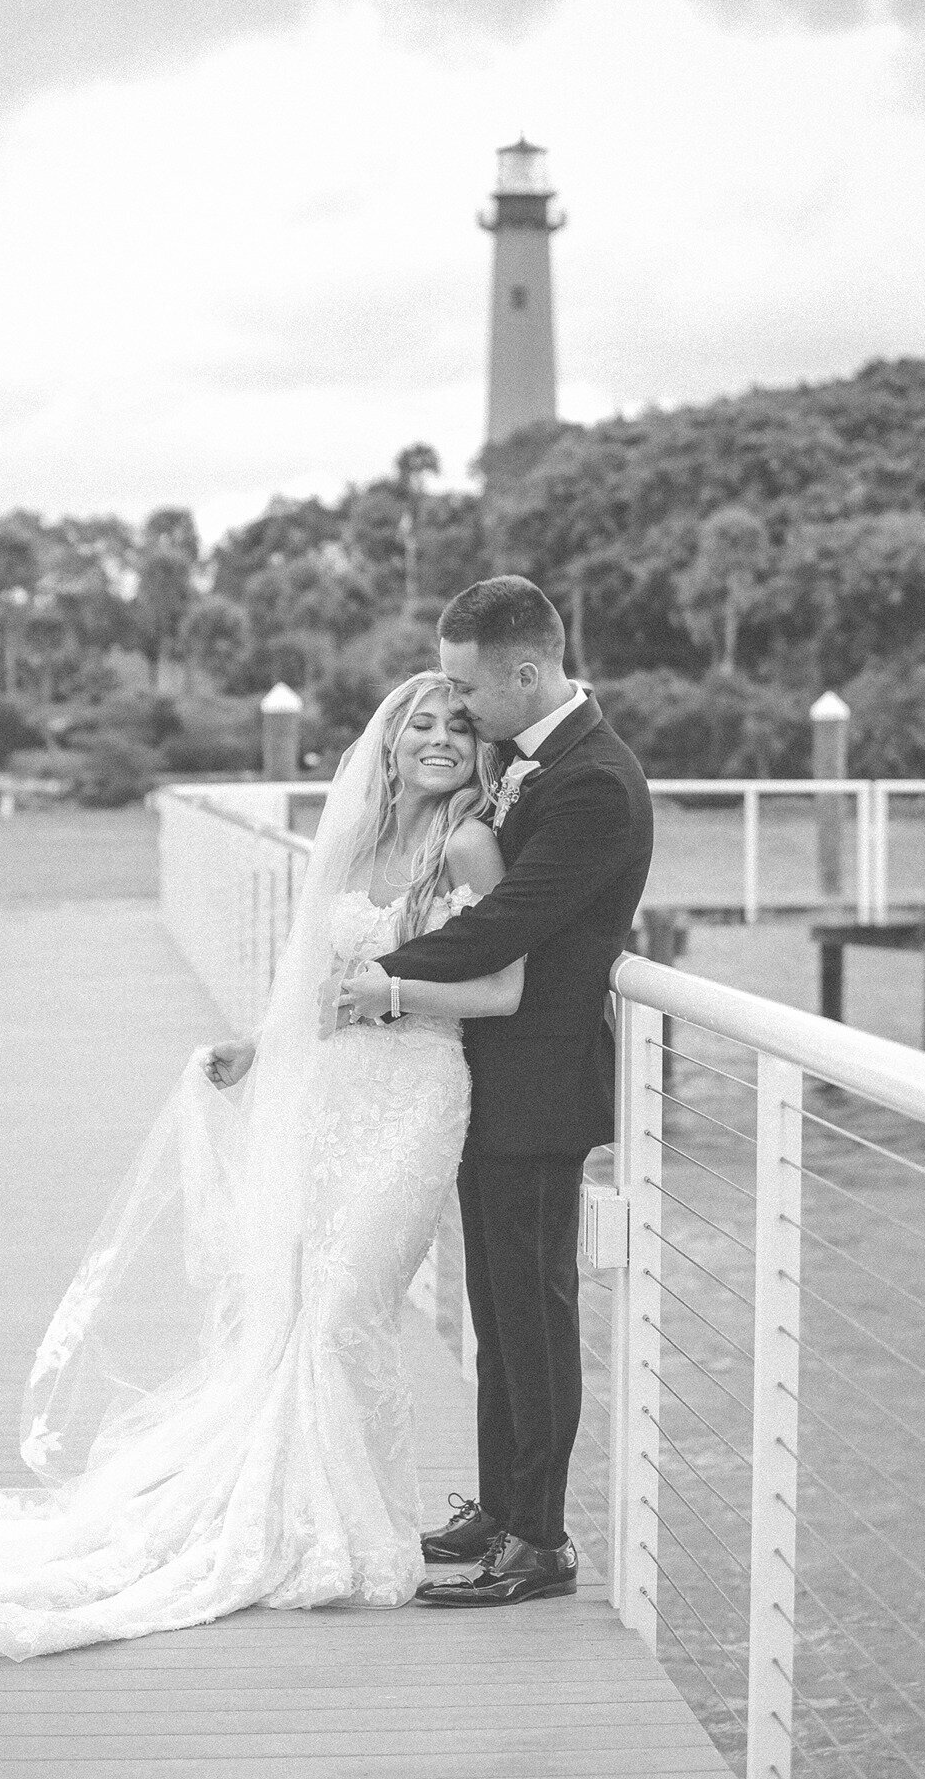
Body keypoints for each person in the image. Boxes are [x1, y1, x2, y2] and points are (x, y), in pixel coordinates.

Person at [0, 673, 525, 1660]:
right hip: (328, 1091)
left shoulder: (467, 847)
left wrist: (389, 994)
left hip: (415, 1093)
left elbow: (501, 990)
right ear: (384, 747)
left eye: (458, 727)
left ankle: (353, 1530)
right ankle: (310, 1523)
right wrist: (257, 1046)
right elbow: (306, 977)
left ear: (478, 750)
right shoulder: (353, 846)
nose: (437, 739)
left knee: (348, 1310)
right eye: (416, 724)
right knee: (295, 1307)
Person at [340, 575, 653, 1608]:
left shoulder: (592, 783)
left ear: (527, 671)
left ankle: (541, 1541)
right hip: (489, 1070)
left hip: (541, 1080)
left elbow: (506, 921)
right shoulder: (530, 763)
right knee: (495, 1306)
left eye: (470, 688)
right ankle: (499, 1505)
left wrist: (384, 977)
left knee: (535, 1311)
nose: (459, 707)